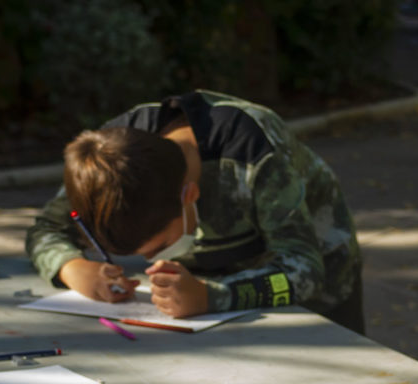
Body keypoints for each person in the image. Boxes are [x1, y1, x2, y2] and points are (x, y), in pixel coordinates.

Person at [25, 90, 365, 333]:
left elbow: (305, 268)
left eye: (158, 247)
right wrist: (74, 269)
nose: (149, 263)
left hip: (317, 291)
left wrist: (212, 296)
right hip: (200, 302)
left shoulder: (254, 151)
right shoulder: (110, 165)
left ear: (190, 195)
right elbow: (46, 229)